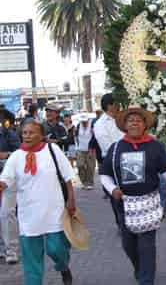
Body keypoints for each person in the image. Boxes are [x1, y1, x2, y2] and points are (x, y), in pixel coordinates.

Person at [100, 106, 166, 285]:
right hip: (124, 205)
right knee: (129, 245)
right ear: (125, 125)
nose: (134, 122)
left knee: (147, 246)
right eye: (130, 120)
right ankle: (139, 267)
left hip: (148, 203)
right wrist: (112, 190)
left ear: (145, 125)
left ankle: (146, 279)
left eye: (138, 120)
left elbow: (165, 171)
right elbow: (104, 174)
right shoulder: (116, 147)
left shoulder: (155, 146)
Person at [0, 119, 76, 285]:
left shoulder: (52, 150)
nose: (27, 136)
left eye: (31, 132)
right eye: (24, 133)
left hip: (54, 212)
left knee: (58, 249)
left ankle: (63, 266)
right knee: (31, 261)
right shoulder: (16, 156)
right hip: (29, 216)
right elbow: (5, 180)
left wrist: (71, 200)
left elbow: (68, 177)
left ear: (41, 135)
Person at [94, 93, 124, 230]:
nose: (119, 105)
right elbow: (106, 145)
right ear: (110, 105)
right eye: (117, 103)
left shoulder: (122, 119)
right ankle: (121, 223)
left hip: (128, 159)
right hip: (112, 160)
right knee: (116, 193)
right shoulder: (100, 124)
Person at [0, 108, 20, 264]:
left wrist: (6, 155)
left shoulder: (8, 133)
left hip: (7, 178)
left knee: (7, 213)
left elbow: (19, 153)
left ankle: (11, 250)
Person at [75, 113, 95, 190]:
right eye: (82, 121)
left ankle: (90, 183)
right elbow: (76, 136)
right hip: (80, 149)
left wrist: (92, 149)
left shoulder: (91, 125)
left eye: (85, 121)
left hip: (90, 149)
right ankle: (84, 182)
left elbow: (94, 137)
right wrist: (77, 146)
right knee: (80, 165)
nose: (84, 122)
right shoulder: (78, 125)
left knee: (90, 166)